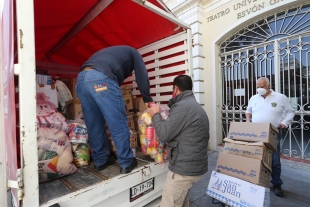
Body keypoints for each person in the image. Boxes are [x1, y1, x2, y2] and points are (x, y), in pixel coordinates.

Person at [76, 45, 154, 174]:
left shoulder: (111, 54)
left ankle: (100, 161)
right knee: (117, 123)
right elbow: (142, 74)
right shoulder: (134, 53)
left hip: (82, 80)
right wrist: (147, 98)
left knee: (94, 124)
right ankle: (126, 162)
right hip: (100, 78)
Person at [148, 75, 209, 207]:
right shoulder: (194, 106)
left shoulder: (183, 107)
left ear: (176, 88)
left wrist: (155, 115)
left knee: (170, 202)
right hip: (194, 164)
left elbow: (164, 134)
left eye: (172, 89)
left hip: (184, 169)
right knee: (182, 201)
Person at [246, 77, 295, 197]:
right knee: (256, 157)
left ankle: (277, 184)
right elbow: (248, 110)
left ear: (268, 86)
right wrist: (248, 120)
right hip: (256, 133)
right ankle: (257, 181)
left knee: (274, 160)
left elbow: (291, 111)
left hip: (272, 133)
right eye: (258, 86)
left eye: (262, 86)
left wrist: (285, 122)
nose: (259, 89)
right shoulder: (253, 98)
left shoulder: (280, 97)